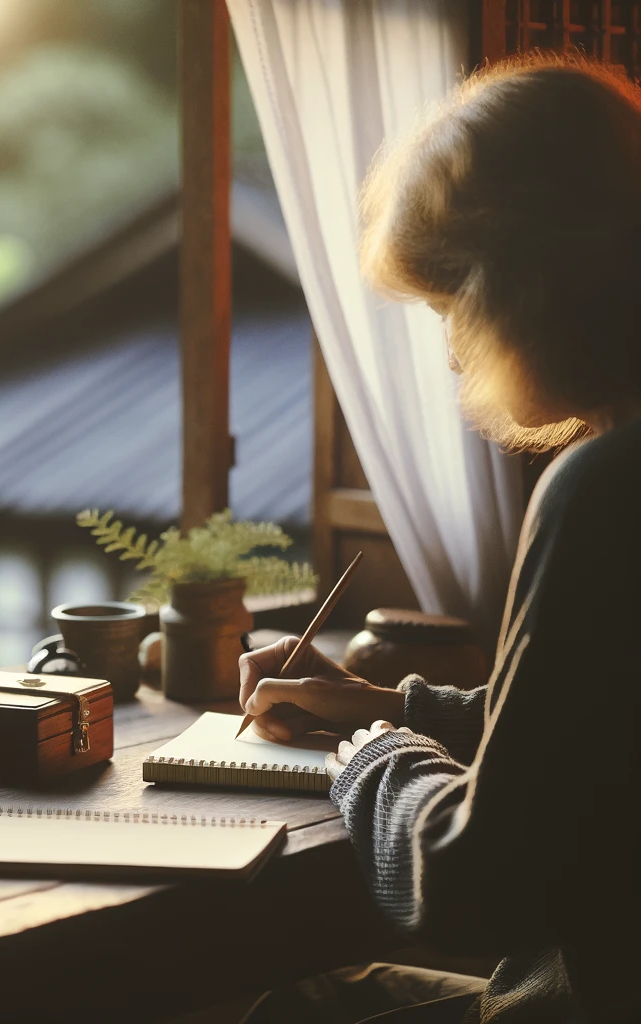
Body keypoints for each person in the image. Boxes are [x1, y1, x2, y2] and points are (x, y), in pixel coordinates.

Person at [237, 54, 641, 1024]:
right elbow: (588, 739)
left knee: (296, 1008)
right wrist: (387, 700)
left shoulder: (601, 488)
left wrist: (371, 756)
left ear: (525, 284)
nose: (452, 344)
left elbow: (475, 883)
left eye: (451, 301)